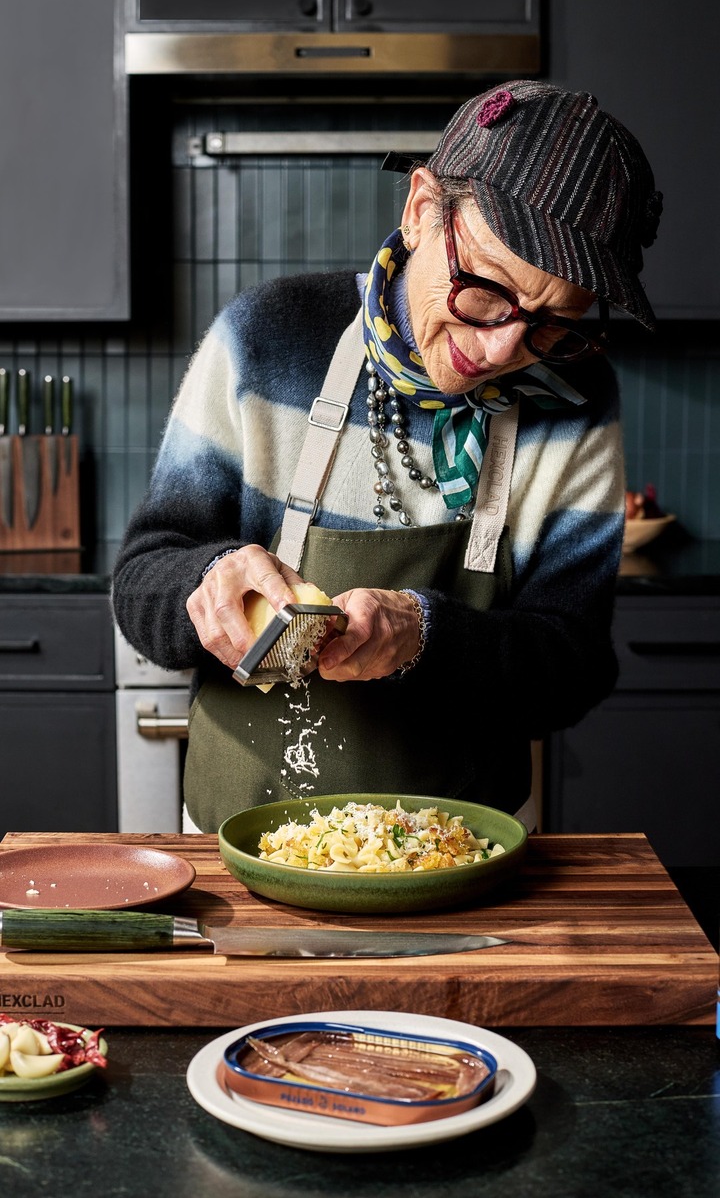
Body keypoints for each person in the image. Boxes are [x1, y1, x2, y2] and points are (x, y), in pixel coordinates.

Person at [112, 80, 663, 833]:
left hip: (467, 858)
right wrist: (205, 583)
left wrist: (426, 635)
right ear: (419, 209)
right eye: (485, 291)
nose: (504, 348)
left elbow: (572, 667)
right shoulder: (264, 339)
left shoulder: (573, 397)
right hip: (238, 852)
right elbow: (144, 576)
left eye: (553, 323)